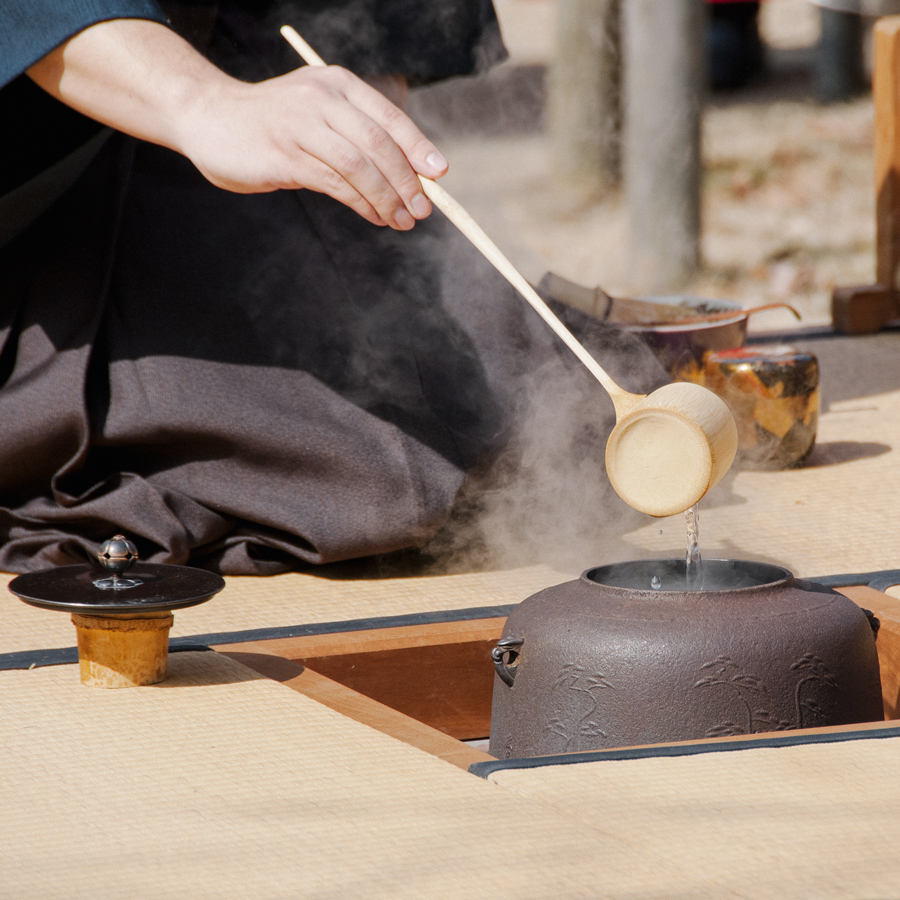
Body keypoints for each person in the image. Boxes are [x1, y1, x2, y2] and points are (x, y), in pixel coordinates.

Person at [0, 1, 667, 575]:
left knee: (540, 410)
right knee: (362, 473)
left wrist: (360, 91)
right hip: (54, 156)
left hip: (253, 70)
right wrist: (199, 103)